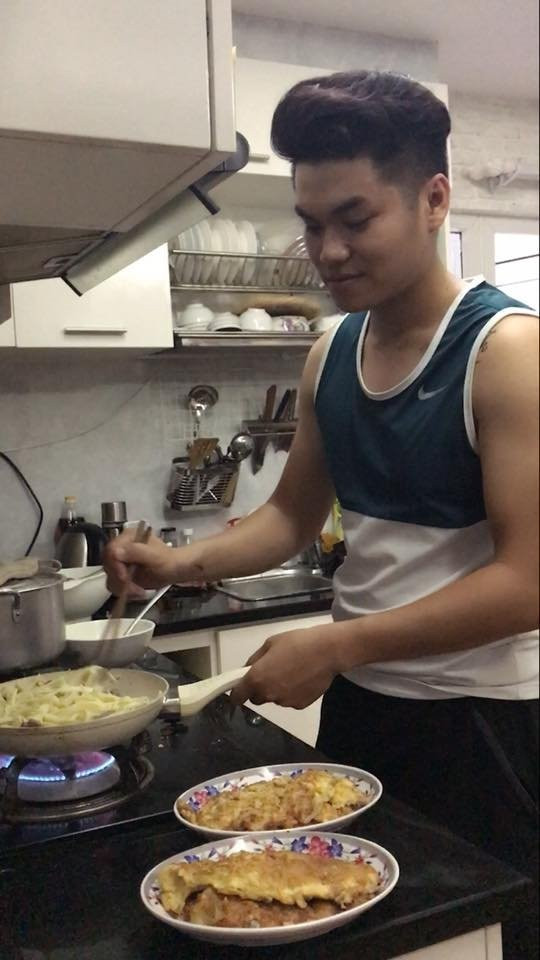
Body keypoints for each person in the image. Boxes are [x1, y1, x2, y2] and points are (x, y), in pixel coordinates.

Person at [105, 72, 538, 955]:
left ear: (434, 200)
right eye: (311, 224)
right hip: (366, 711)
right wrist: (176, 565)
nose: (328, 250)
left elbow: (528, 582)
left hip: (484, 723)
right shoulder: (331, 350)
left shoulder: (507, 353)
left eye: (355, 218)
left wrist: (339, 643)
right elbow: (291, 518)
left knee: (489, 938)